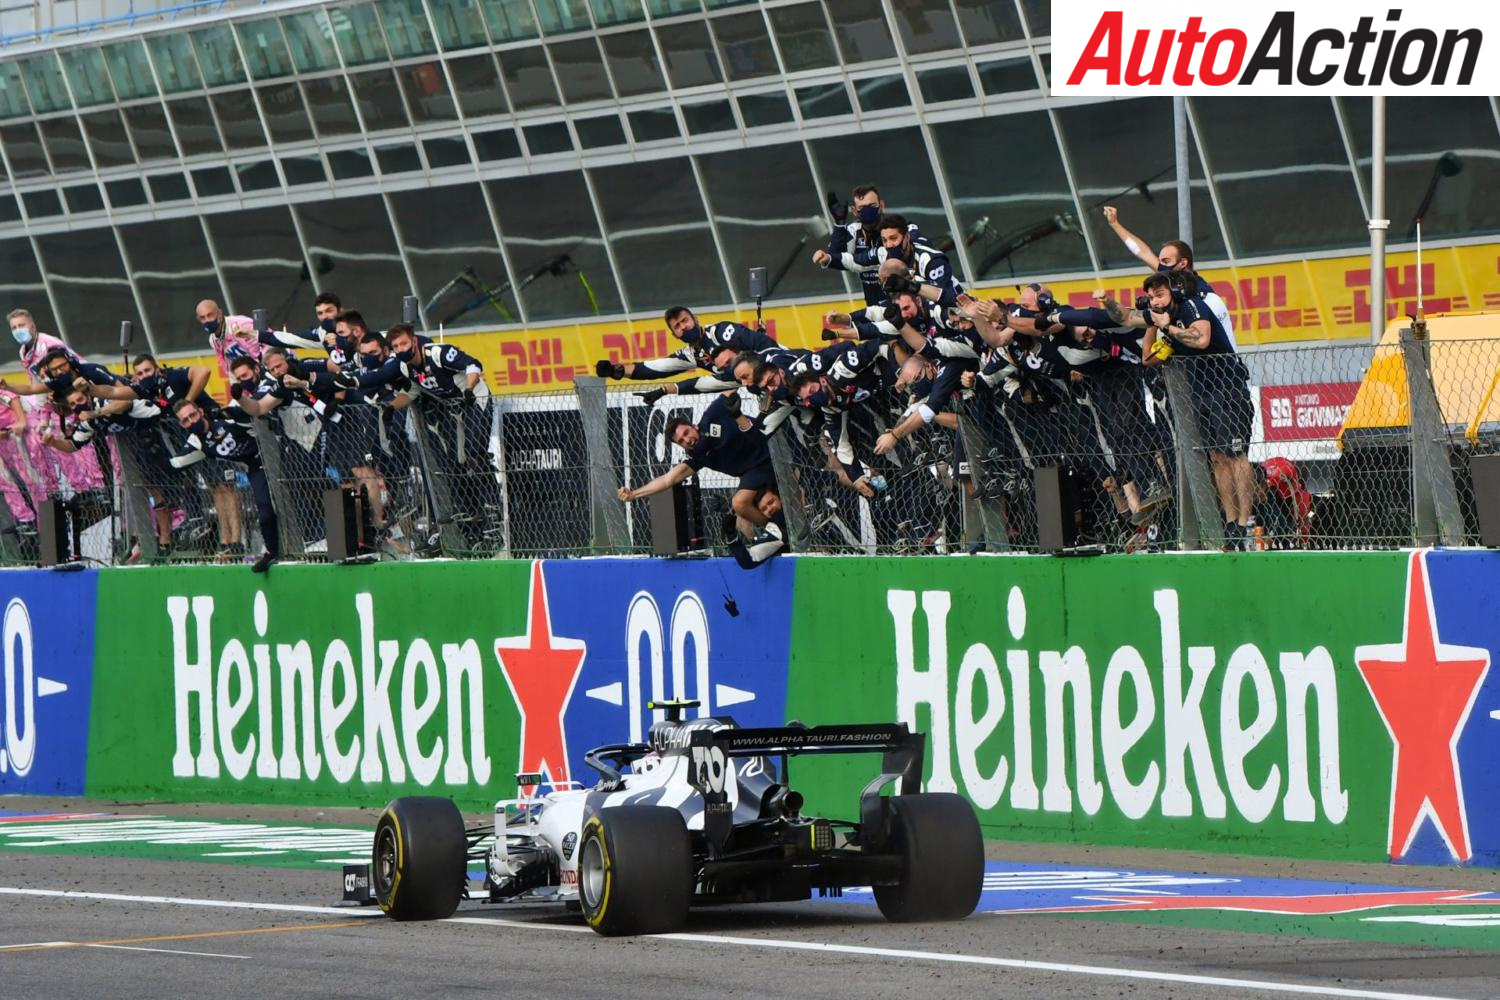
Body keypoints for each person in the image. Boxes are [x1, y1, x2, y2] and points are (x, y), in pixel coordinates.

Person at [1140, 271, 1256, 548]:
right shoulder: (1167, 326)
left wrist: (1167, 326)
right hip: (1200, 394)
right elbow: (1147, 358)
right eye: (1150, 297)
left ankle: (1244, 523)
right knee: (1217, 458)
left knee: (1237, 454)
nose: (1155, 300)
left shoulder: (1192, 306)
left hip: (1227, 388)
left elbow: (1202, 339)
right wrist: (1151, 322)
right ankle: (1229, 524)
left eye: (1159, 295)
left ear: (1175, 293)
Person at [616, 395, 784, 567]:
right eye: (681, 441)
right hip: (754, 474)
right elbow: (668, 479)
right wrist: (633, 494)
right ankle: (776, 541)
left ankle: (780, 531)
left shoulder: (713, 414)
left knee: (739, 503)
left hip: (771, 455)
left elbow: (727, 384)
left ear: (694, 426)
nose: (687, 440)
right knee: (742, 523)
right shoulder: (699, 456)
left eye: (686, 433)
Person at [1101, 206, 1237, 350]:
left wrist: (1168, 326)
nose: (1160, 268)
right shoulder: (1173, 283)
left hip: (1224, 360)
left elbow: (1203, 338)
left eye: (1166, 262)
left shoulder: (1202, 294)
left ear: (1183, 263)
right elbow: (1143, 252)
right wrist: (1114, 224)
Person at [170, 397, 278, 572]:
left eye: (193, 415)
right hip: (255, 468)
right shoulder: (196, 442)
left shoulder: (223, 419)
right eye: (185, 420)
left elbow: (256, 412)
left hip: (274, 454)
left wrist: (233, 413)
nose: (191, 421)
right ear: (182, 425)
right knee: (265, 510)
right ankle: (273, 552)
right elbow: (175, 464)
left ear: (201, 412)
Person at [593, 306, 775, 401]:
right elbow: (652, 368)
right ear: (674, 335)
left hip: (780, 374)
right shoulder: (690, 354)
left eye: (685, 321)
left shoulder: (721, 331)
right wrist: (614, 371)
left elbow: (763, 343)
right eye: (677, 327)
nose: (683, 327)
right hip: (765, 394)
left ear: (695, 319)